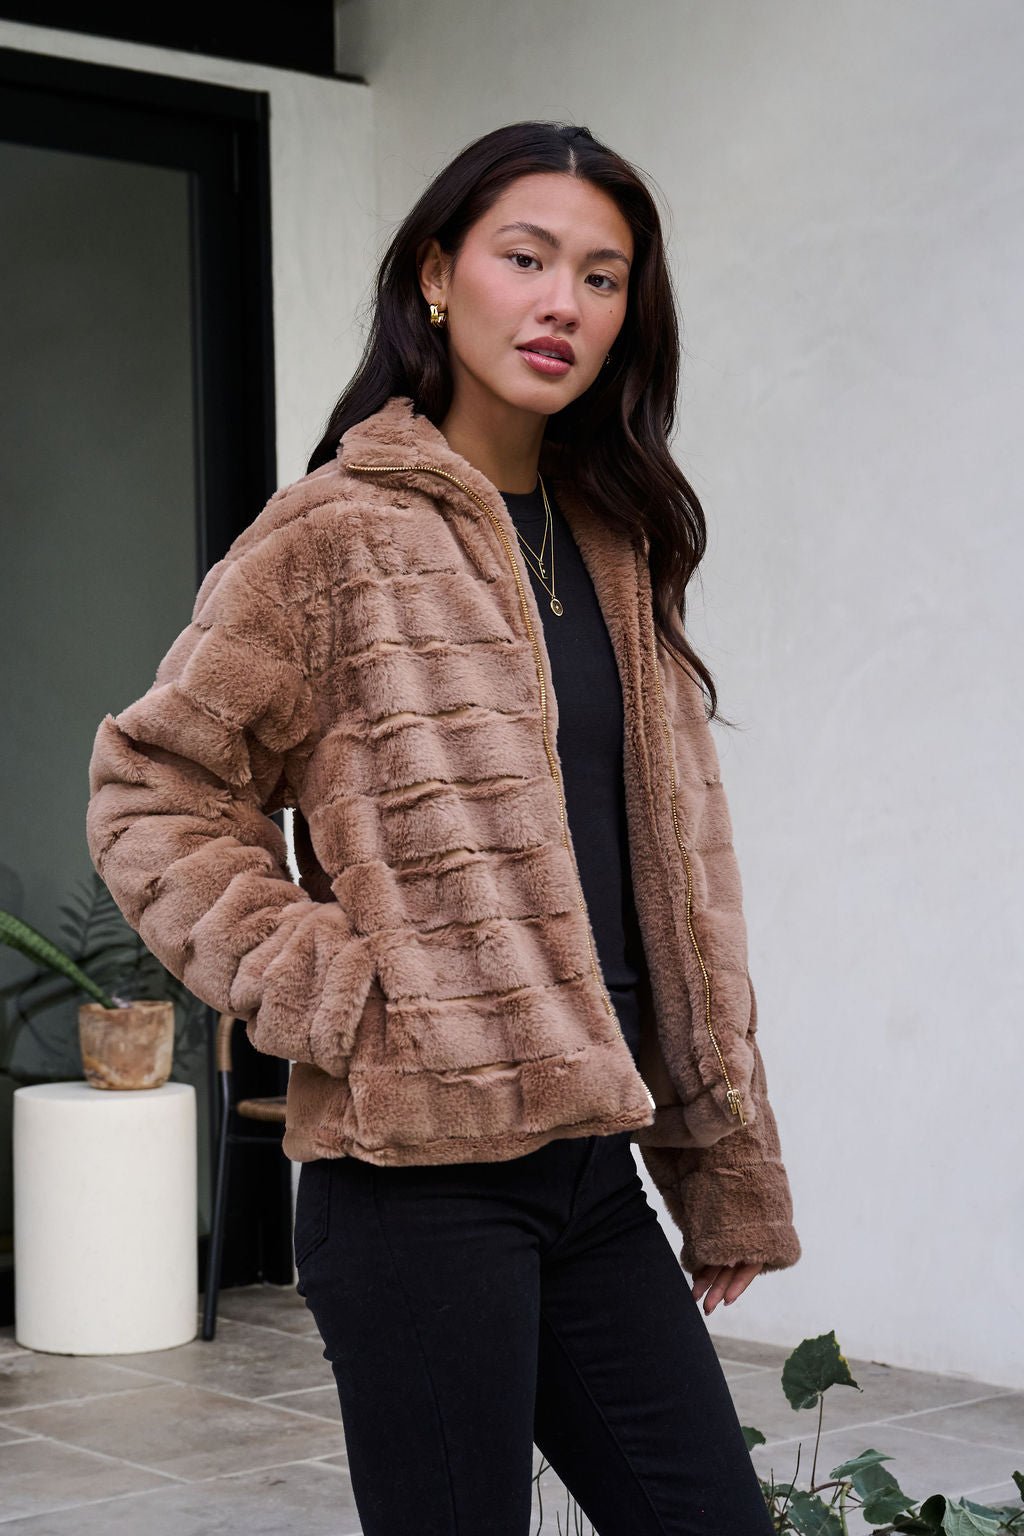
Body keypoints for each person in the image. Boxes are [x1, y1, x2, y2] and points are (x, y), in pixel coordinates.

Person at [86, 119, 800, 1535]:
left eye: (602, 277)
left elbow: (673, 886)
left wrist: (718, 1165)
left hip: (593, 1168)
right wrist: (348, 993)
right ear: (434, 274)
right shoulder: (332, 534)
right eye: (525, 258)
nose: (562, 305)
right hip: (417, 1183)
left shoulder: (618, 537)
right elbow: (149, 791)